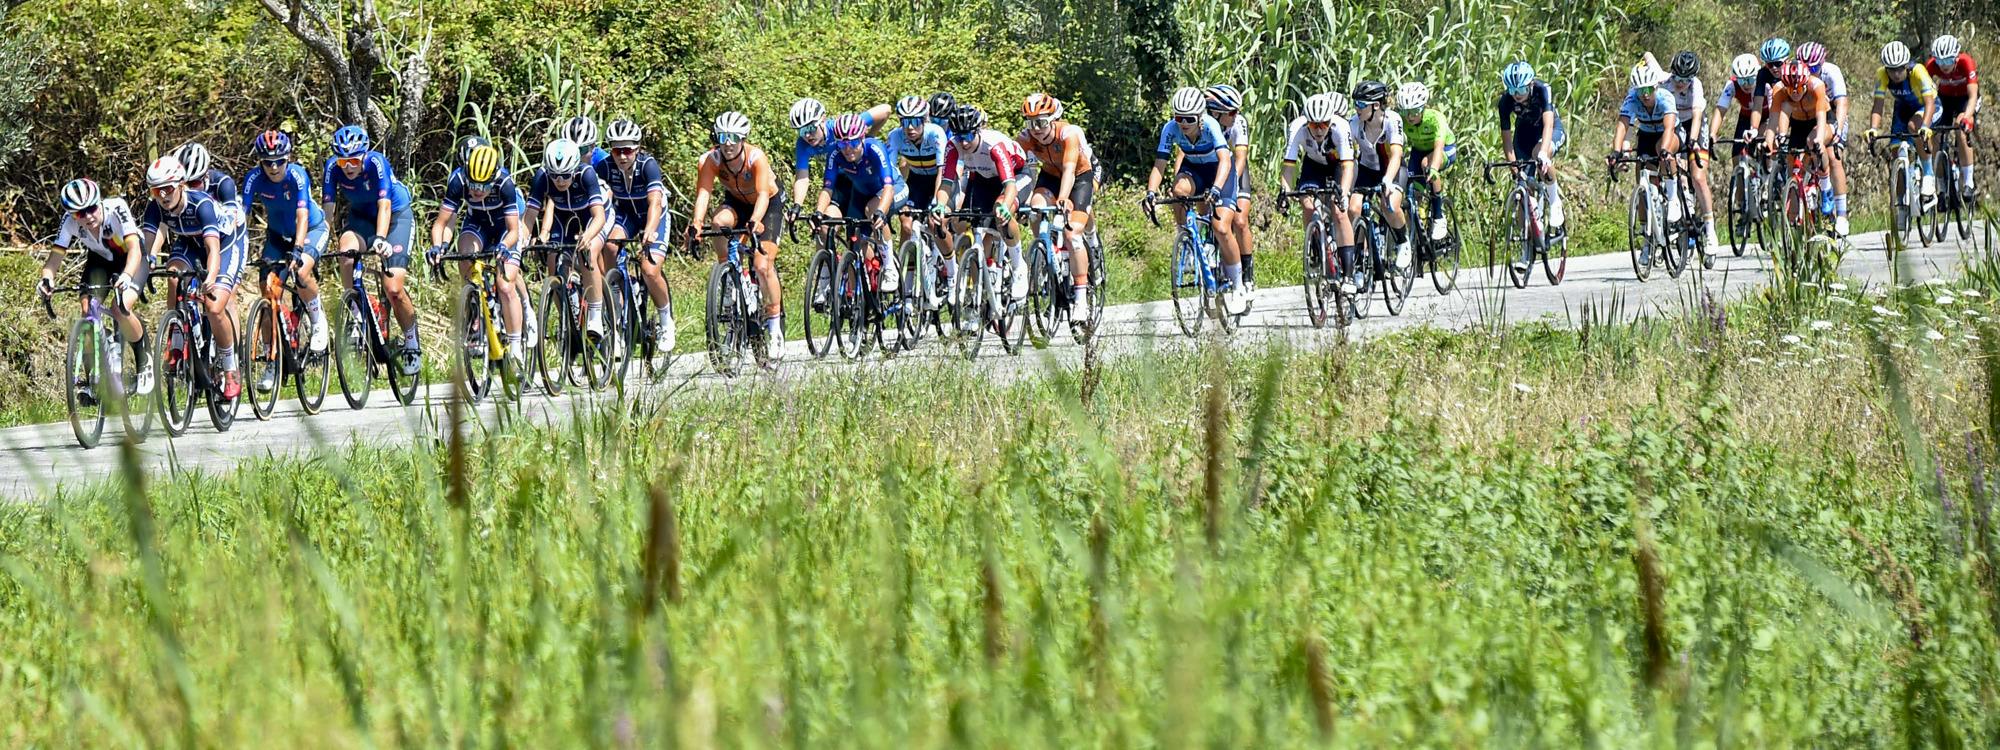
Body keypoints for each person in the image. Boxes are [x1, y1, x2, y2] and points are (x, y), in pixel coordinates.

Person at [143, 154, 248, 399]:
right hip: (190, 240)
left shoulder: (202, 205)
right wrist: (145, 265)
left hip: (226, 242)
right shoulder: (156, 206)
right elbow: (148, 246)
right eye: (156, 191)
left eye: (168, 189)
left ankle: (230, 366)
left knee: (213, 306)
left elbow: (212, 250)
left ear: (181, 185)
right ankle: (177, 333)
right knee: (173, 276)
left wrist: (211, 277)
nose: (163, 196)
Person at [319, 125, 421, 376]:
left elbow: (385, 205)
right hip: (362, 218)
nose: (349, 166)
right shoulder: (333, 168)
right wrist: (319, 243)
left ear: (363, 155)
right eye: (344, 161)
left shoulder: (377, 163)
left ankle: (411, 340)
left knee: (394, 289)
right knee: (346, 252)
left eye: (354, 160)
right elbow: (328, 211)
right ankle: (355, 309)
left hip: (395, 217)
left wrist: (380, 238)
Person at [40, 178, 153, 398]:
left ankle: (143, 360)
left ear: (98, 202)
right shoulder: (69, 221)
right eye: (80, 214)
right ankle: (92, 381)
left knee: (120, 307)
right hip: (100, 259)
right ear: (73, 214)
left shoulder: (116, 208)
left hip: (132, 259)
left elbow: (134, 249)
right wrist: (46, 279)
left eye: (91, 208)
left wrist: (127, 276)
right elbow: (55, 257)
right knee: (87, 311)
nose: (88, 216)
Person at [426, 144, 529, 370]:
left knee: (505, 284)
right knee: (465, 255)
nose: (476, 190)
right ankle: (475, 307)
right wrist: (437, 247)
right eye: (472, 184)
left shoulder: (505, 183)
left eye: (482, 186)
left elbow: (514, 230)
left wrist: (503, 246)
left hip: (504, 228)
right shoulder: (458, 181)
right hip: (478, 224)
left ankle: (515, 347)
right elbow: (441, 224)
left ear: (493, 178)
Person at [1144, 86, 1244, 314]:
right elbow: (1160, 164)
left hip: (1220, 171)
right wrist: (1151, 192)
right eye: (1179, 117)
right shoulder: (1170, 129)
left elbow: (1225, 162)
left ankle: (1238, 286)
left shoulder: (1211, 125)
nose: (1183, 123)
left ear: (1200, 116)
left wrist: (1217, 189)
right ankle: (1186, 238)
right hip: (1194, 169)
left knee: (1221, 227)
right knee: (1178, 190)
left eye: (1189, 118)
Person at [241, 130, 332, 380]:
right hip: (277, 236)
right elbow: (243, 217)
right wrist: (238, 249)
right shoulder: (253, 178)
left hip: (311, 229)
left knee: (301, 270)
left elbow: (302, 216)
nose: (273, 167)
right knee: (268, 293)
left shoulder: (297, 175)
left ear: (288, 158)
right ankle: (272, 360)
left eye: (279, 161)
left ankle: (317, 320)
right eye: (267, 162)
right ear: (260, 161)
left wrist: (298, 249)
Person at [690, 111, 785, 347]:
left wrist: (755, 221)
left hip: (767, 204)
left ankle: (774, 328)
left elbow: (763, 194)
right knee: (718, 222)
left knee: (763, 266)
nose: (728, 143)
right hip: (736, 203)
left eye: (734, 137)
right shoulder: (710, 161)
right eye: (723, 137)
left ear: (743, 138)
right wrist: (696, 223)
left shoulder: (755, 158)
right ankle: (729, 272)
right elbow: (704, 193)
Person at [934, 106, 1030, 318]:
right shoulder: (953, 146)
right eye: (959, 137)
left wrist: (1005, 207)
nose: (964, 142)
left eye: (968, 136)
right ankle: (977, 301)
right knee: (967, 224)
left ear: (977, 131)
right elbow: (947, 183)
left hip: (1017, 176)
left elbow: (1010, 185)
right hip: (983, 180)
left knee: (1000, 212)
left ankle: (1018, 266)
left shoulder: (993, 145)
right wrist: (940, 205)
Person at [1016, 92, 1097, 323]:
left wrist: (1062, 199)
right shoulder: (1025, 138)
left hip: (1079, 178)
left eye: (1041, 122)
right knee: (1035, 208)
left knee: (1072, 235)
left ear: (1052, 120)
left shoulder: (1068, 134)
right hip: (1050, 176)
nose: (1036, 129)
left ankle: (1081, 298)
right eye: (1031, 123)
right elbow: (1023, 172)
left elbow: (1070, 171)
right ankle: (1046, 252)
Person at [596, 118, 676, 350]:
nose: (622, 156)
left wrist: (650, 231)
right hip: (626, 215)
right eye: (617, 150)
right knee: (610, 245)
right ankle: (618, 286)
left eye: (628, 150)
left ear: (637, 149)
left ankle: (665, 319)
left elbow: (655, 203)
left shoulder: (648, 165)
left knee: (650, 270)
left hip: (653, 215)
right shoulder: (605, 167)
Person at [524, 138, 611, 337]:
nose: (560, 181)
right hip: (564, 216)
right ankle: (567, 319)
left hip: (591, 215)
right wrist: (522, 240)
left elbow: (599, 216)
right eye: (555, 176)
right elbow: (529, 215)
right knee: (553, 260)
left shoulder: (586, 174)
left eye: (565, 175)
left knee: (585, 253)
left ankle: (595, 314)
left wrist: (588, 235)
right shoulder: (542, 177)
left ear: (574, 168)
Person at [1278, 93, 1361, 293]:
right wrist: (1285, 192)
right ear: (1306, 122)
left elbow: (1348, 166)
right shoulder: (1297, 127)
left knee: (1339, 211)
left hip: (1339, 166)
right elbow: (1289, 166)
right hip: (1313, 165)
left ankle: (1349, 275)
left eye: (1323, 124)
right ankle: (1316, 248)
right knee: (1306, 203)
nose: (1318, 129)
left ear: (1330, 122)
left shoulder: (1341, 127)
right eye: (1313, 125)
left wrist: (1344, 193)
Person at [815, 113, 904, 290]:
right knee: (853, 244)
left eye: (853, 143)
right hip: (862, 193)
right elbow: (828, 188)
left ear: (862, 138)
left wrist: (880, 212)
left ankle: (889, 268)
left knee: (873, 211)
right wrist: (818, 212)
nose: (848, 149)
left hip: (892, 189)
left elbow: (888, 187)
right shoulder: (835, 154)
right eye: (842, 144)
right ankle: (860, 298)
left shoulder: (875, 148)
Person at [1496, 60, 1567, 273]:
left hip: (1549, 131)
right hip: (1523, 135)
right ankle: (1526, 250)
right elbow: (1507, 139)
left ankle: (1554, 201)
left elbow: (1548, 125)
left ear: (1530, 84)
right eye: (1512, 90)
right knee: (1521, 192)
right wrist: (1513, 165)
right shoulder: (1505, 102)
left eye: (1520, 89)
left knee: (1539, 155)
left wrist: (1545, 154)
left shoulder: (1542, 90)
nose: (1516, 94)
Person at [1611, 62, 1685, 242]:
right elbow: (1622, 126)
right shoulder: (1631, 99)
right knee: (1643, 177)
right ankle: (1648, 235)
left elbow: (1668, 128)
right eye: (1640, 91)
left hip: (1670, 134)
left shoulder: (1665, 97)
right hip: (1646, 134)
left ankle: (1674, 199)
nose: (1644, 95)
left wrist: (1667, 151)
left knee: (1663, 151)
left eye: (1648, 90)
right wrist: (1615, 152)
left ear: (1656, 87)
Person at [1656, 51, 1721, 249]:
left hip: (1694, 125)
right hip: (1673, 124)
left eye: (1686, 79)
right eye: (1677, 77)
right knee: (1666, 156)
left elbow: (1697, 115)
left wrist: (1692, 141)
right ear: (1671, 73)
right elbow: (1649, 56)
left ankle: (1710, 229)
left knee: (1698, 177)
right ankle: (1675, 199)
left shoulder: (1696, 86)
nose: (1681, 83)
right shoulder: (1663, 82)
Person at [1348, 80, 1414, 273]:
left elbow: (1396, 154)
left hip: (1392, 169)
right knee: (1353, 208)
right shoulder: (1354, 123)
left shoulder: (1392, 120)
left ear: (1376, 105)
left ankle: (1403, 241)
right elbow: (1348, 158)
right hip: (1368, 169)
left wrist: (1387, 180)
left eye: (1361, 104)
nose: (1357, 109)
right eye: (1355, 104)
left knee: (1389, 204)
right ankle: (1360, 261)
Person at [788, 97, 895, 211]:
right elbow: (802, 178)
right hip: (837, 177)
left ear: (823, 119)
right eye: (802, 131)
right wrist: (797, 206)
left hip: (862, 175)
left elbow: (886, 109)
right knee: (826, 222)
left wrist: (869, 136)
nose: (807, 135)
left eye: (810, 128)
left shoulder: (842, 129)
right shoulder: (803, 144)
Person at [1868, 40, 1940, 197]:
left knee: (1915, 127)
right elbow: (1878, 106)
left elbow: (1930, 103)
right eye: (1891, 70)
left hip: (1927, 106)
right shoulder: (1882, 74)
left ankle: (1928, 174)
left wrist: (1926, 127)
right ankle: (1902, 207)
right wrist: (1873, 128)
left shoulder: (1918, 71)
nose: (1895, 74)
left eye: (1900, 69)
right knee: (1896, 153)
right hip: (1902, 109)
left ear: (1906, 65)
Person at [1798, 42, 1854, 236]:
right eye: (1806, 68)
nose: (1809, 72)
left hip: (1832, 115)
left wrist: (1838, 130)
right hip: (1810, 115)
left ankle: (1841, 214)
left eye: (1813, 68)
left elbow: (1841, 103)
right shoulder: (1797, 74)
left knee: (1833, 156)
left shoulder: (1831, 72)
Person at [1207, 84, 1256, 290]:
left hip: (1235, 170)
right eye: (1232, 111)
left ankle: (1247, 276)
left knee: (1240, 219)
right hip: (1210, 167)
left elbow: (1240, 157)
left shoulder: (1239, 123)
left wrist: (1231, 187)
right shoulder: (1202, 123)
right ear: (1216, 113)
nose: (1237, 115)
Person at [1397, 82, 1456, 243]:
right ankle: (1417, 240)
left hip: (1445, 149)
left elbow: (1438, 148)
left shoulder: (1435, 118)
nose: (1410, 117)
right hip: (1418, 151)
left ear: (1423, 108)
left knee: (1426, 164)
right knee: (1411, 193)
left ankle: (1438, 216)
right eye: (1406, 112)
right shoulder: (1401, 120)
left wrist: (1434, 169)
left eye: (1415, 111)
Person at [889, 95, 950, 249]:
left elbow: (941, 170)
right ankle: (905, 270)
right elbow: (890, 172)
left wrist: (936, 202)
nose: (910, 127)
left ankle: (950, 266)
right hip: (916, 180)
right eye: (905, 121)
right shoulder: (895, 136)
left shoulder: (935, 133)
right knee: (906, 223)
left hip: (938, 179)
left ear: (924, 120)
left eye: (915, 121)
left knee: (934, 222)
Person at [1926, 35, 1980, 200]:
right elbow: (1924, 93)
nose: (1944, 66)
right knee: (1933, 134)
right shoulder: (1931, 66)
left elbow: (1973, 97)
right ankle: (1942, 185)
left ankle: (1968, 183)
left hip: (1966, 99)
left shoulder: (1966, 62)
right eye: (1940, 62)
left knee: (1960, 129)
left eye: (1949, 61)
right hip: (1945, 98)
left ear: (1956, 57)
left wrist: (1967, 118)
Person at [1711, 53, 1769, 160]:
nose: (1746, 84)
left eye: (1750, 80)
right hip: (1746, 118)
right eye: (1741, 80)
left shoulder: (1766, 82)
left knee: (1762, 142)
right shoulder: (1732, 85)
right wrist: (1713, 133)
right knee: (1737, 158)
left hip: (1767, 118)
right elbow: (1721, 109)